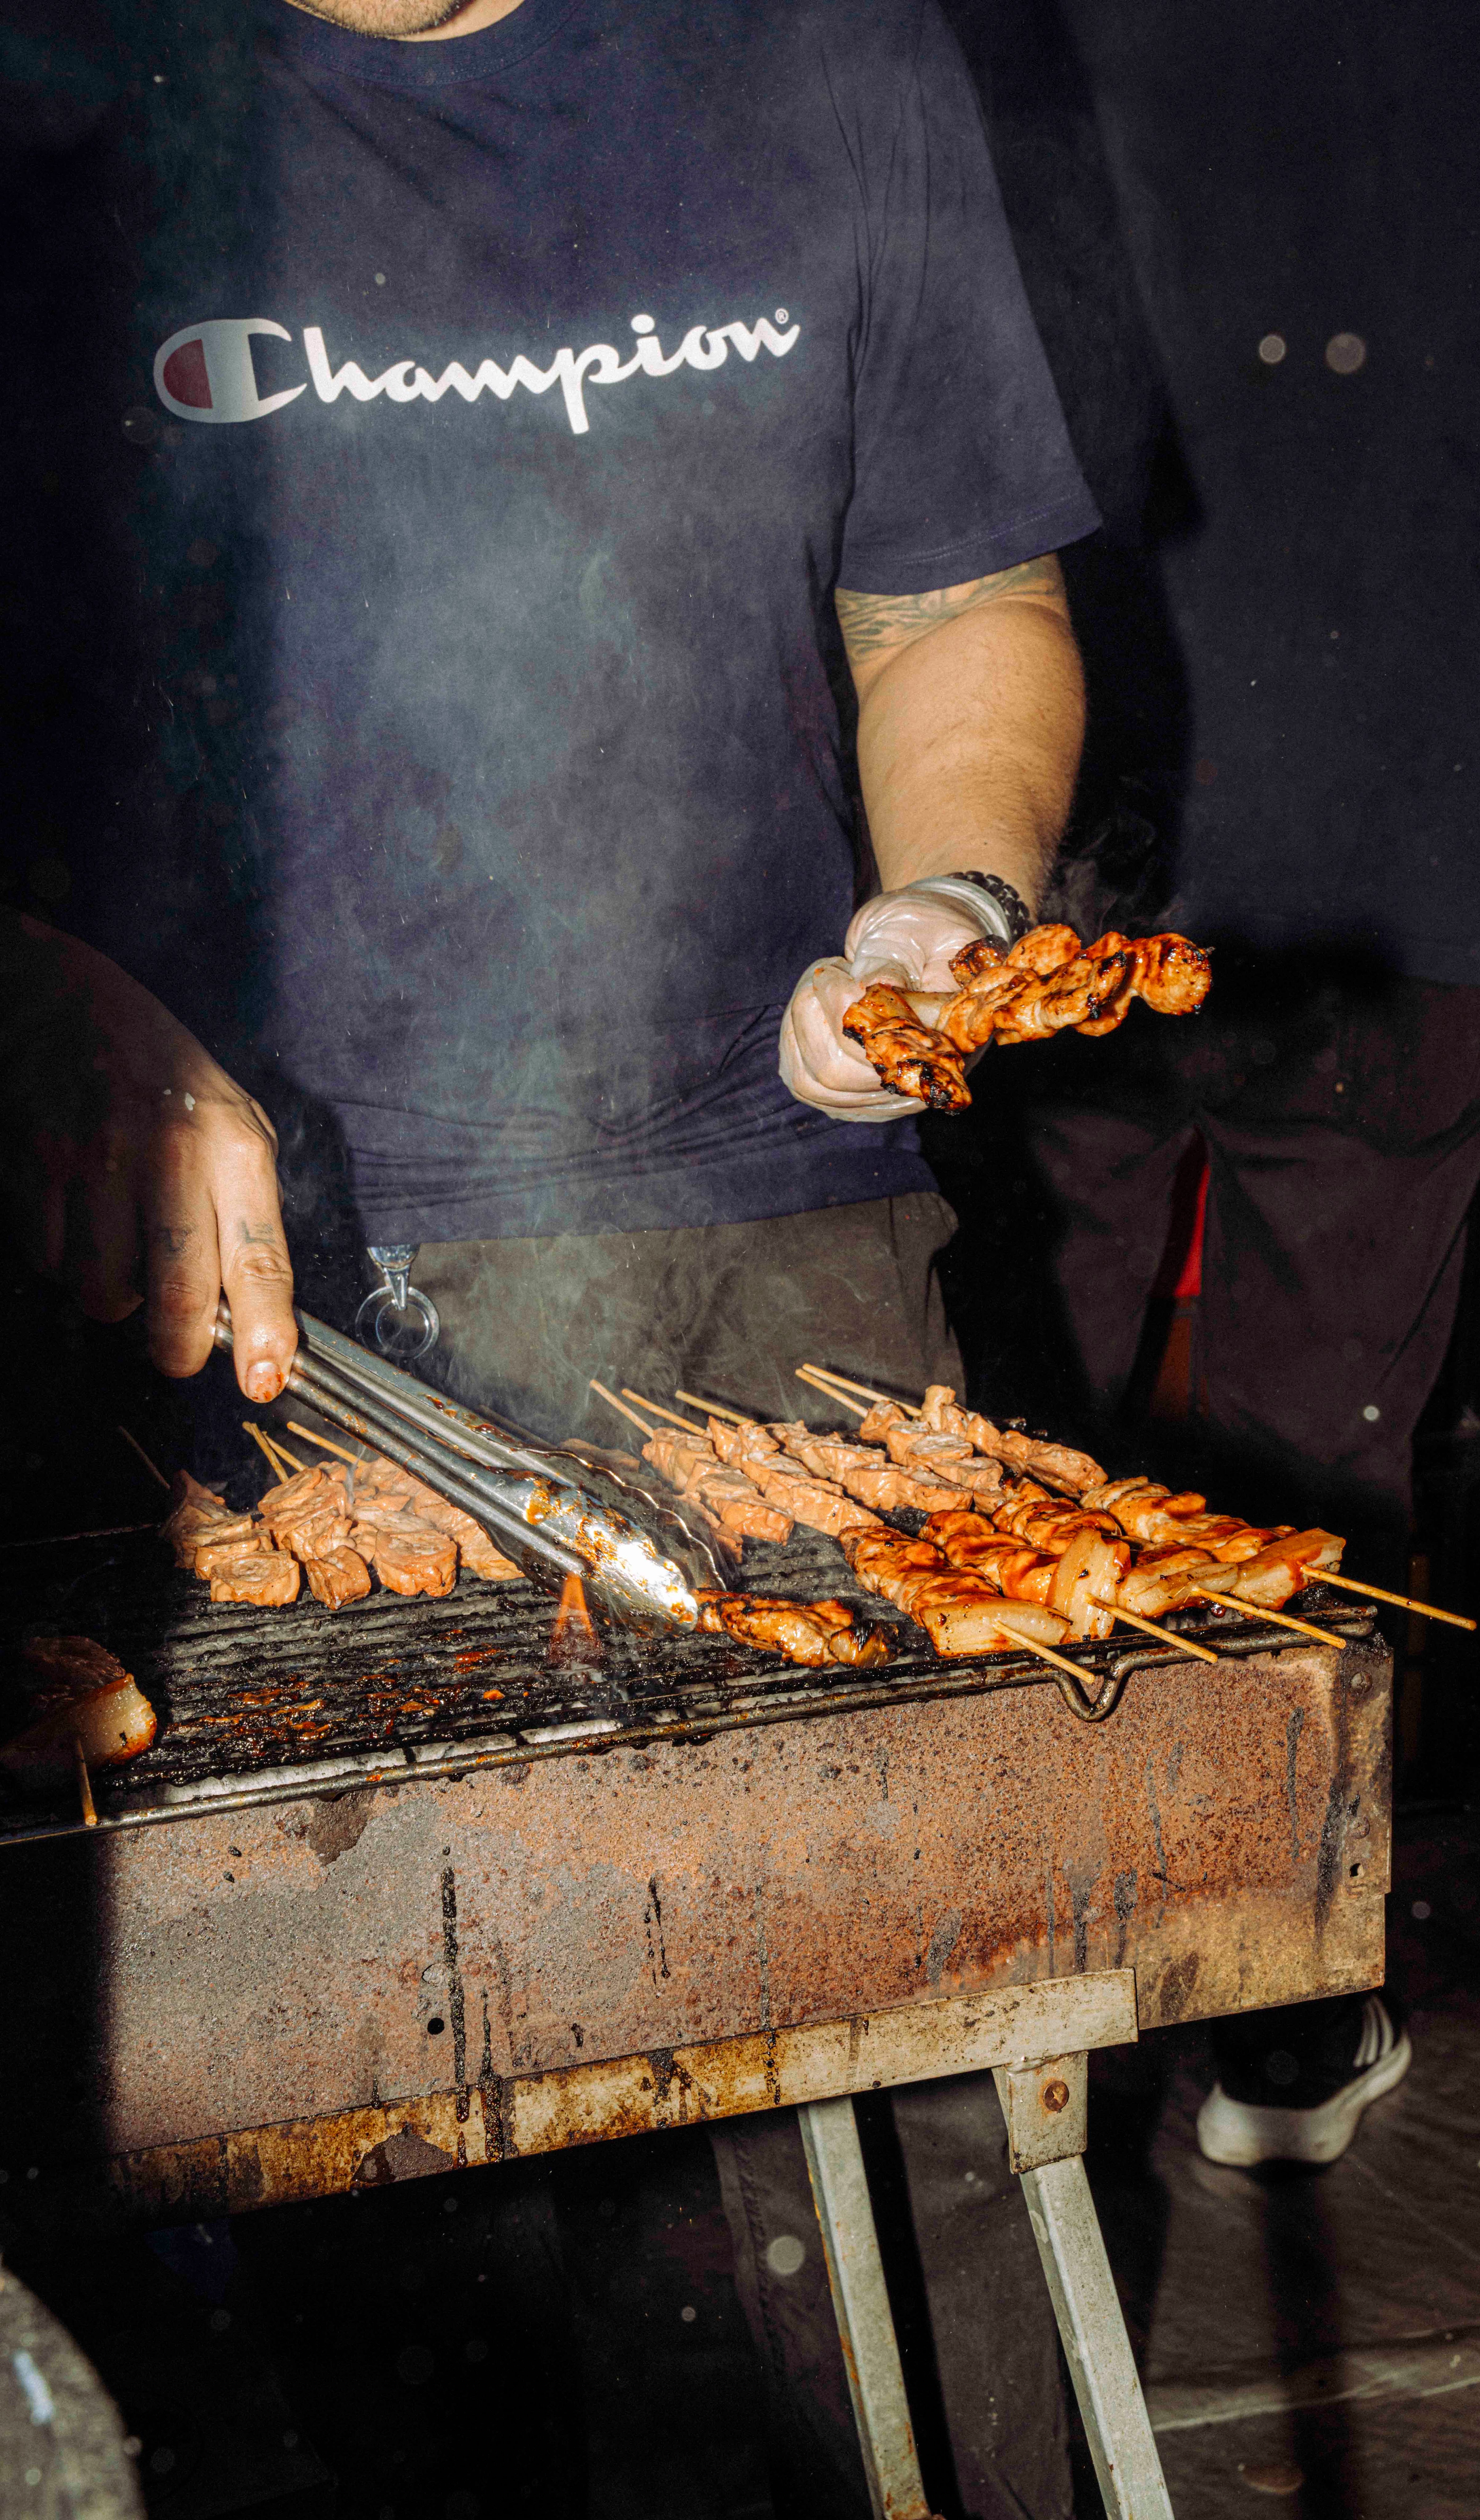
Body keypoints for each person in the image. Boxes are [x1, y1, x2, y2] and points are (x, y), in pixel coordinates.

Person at [1, 0, 1102, 2509]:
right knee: (357, 2207)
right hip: (229, 1305)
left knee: (914, 2104)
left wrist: (947, 899)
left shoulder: (833, 58)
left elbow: (956, 605)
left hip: (781, 1255)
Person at [932, 0, 1480, 2169]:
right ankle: (1269, 2006)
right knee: (1317, 1446)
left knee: (1007, 1438)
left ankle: (996, 1944)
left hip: (1051, 838)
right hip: (1408, 847)